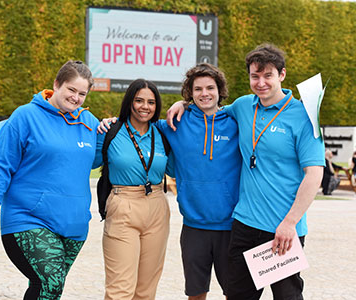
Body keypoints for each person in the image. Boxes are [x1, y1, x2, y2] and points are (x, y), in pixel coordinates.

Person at [167, 44, 325, 300]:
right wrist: (183, 103)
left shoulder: (304, 116)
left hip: (283, 230)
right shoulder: (242, 106)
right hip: (244, 226)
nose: (261, 82)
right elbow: (209, 109)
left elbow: (314, 174)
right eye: (255, 76)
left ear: (282, 75)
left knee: (287, 297)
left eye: (268, 75)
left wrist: (290, 222)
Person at [98, 64, 242, 300]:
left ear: (220, 90)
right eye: (198, 89)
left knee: (234, 292)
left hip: (231, 224)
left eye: (210, 88)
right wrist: (109, 123)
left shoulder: (237, 121)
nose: (204, 93)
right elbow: (137, 123)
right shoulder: (173, 125)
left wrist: (182, 104)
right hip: (193, 225)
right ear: (190, 92)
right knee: (194, 293)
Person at [0, 60, 99, 300]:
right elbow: (2, 164)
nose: (76, 98)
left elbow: (99, 159)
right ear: (56, 84)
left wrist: (110, 127)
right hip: (28, 218)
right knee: (49, 282)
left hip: (74, 224)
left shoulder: (90, 123)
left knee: (50, 290)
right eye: (71, 90)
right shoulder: (25, 116)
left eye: (82, 93)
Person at [92, 79, 174, 300]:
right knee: (120, 290)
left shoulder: (162, 133)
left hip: (157, 206)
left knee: (146, 291)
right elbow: (86, 162)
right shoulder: (110, 131)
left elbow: (175, 169)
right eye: (138, 100)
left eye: (151, 102)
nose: (144, 106)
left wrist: (183, 106)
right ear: (129, 102)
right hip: (123, 205)